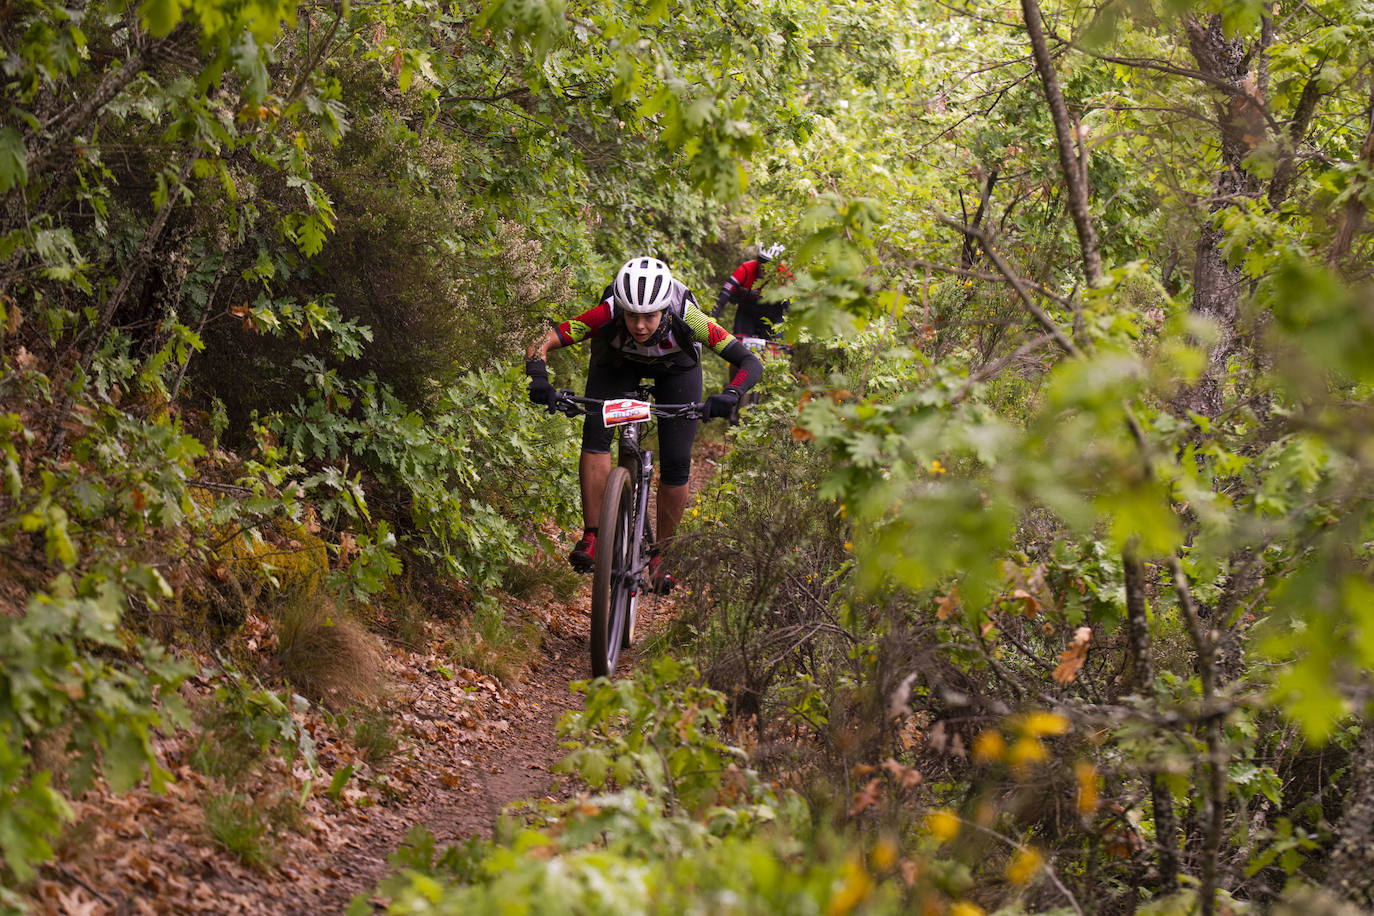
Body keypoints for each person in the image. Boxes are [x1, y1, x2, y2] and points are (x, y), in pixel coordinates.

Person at [524, 257, 763, 593]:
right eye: (631, 315)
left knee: (677, 460)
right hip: (617, 365)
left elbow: (749, 361)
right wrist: (538, 379)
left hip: (676, 370)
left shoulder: (688, 316)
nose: (639, 325)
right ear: (621, 307)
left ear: (664, 309)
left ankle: (663, 554)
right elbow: (542, 342)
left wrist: (731, 393)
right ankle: (593, 535)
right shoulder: (607, 312)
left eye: (649, 315)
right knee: (595, 435)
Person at [713, 243, 793, 341]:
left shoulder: (785, 275)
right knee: (740, 347)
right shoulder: (746, 269)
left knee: (777, 349)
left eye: (769, 263)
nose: (764, 267)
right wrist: (712, 319)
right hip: (747, 314)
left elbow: (793, 308)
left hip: (773, 317)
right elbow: (723, 296)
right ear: (757, 258)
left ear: (777, 264)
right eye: (762, 261)